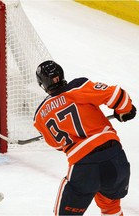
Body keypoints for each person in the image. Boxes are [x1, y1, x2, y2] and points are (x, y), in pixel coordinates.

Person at [33, 60, 136, 215]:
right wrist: (125, 111)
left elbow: (56, 145)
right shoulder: (78, 87)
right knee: (111, 207)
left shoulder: (40, 116)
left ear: (42, 84)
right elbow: (117, 95)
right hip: (115, 158)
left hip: (84, 166)